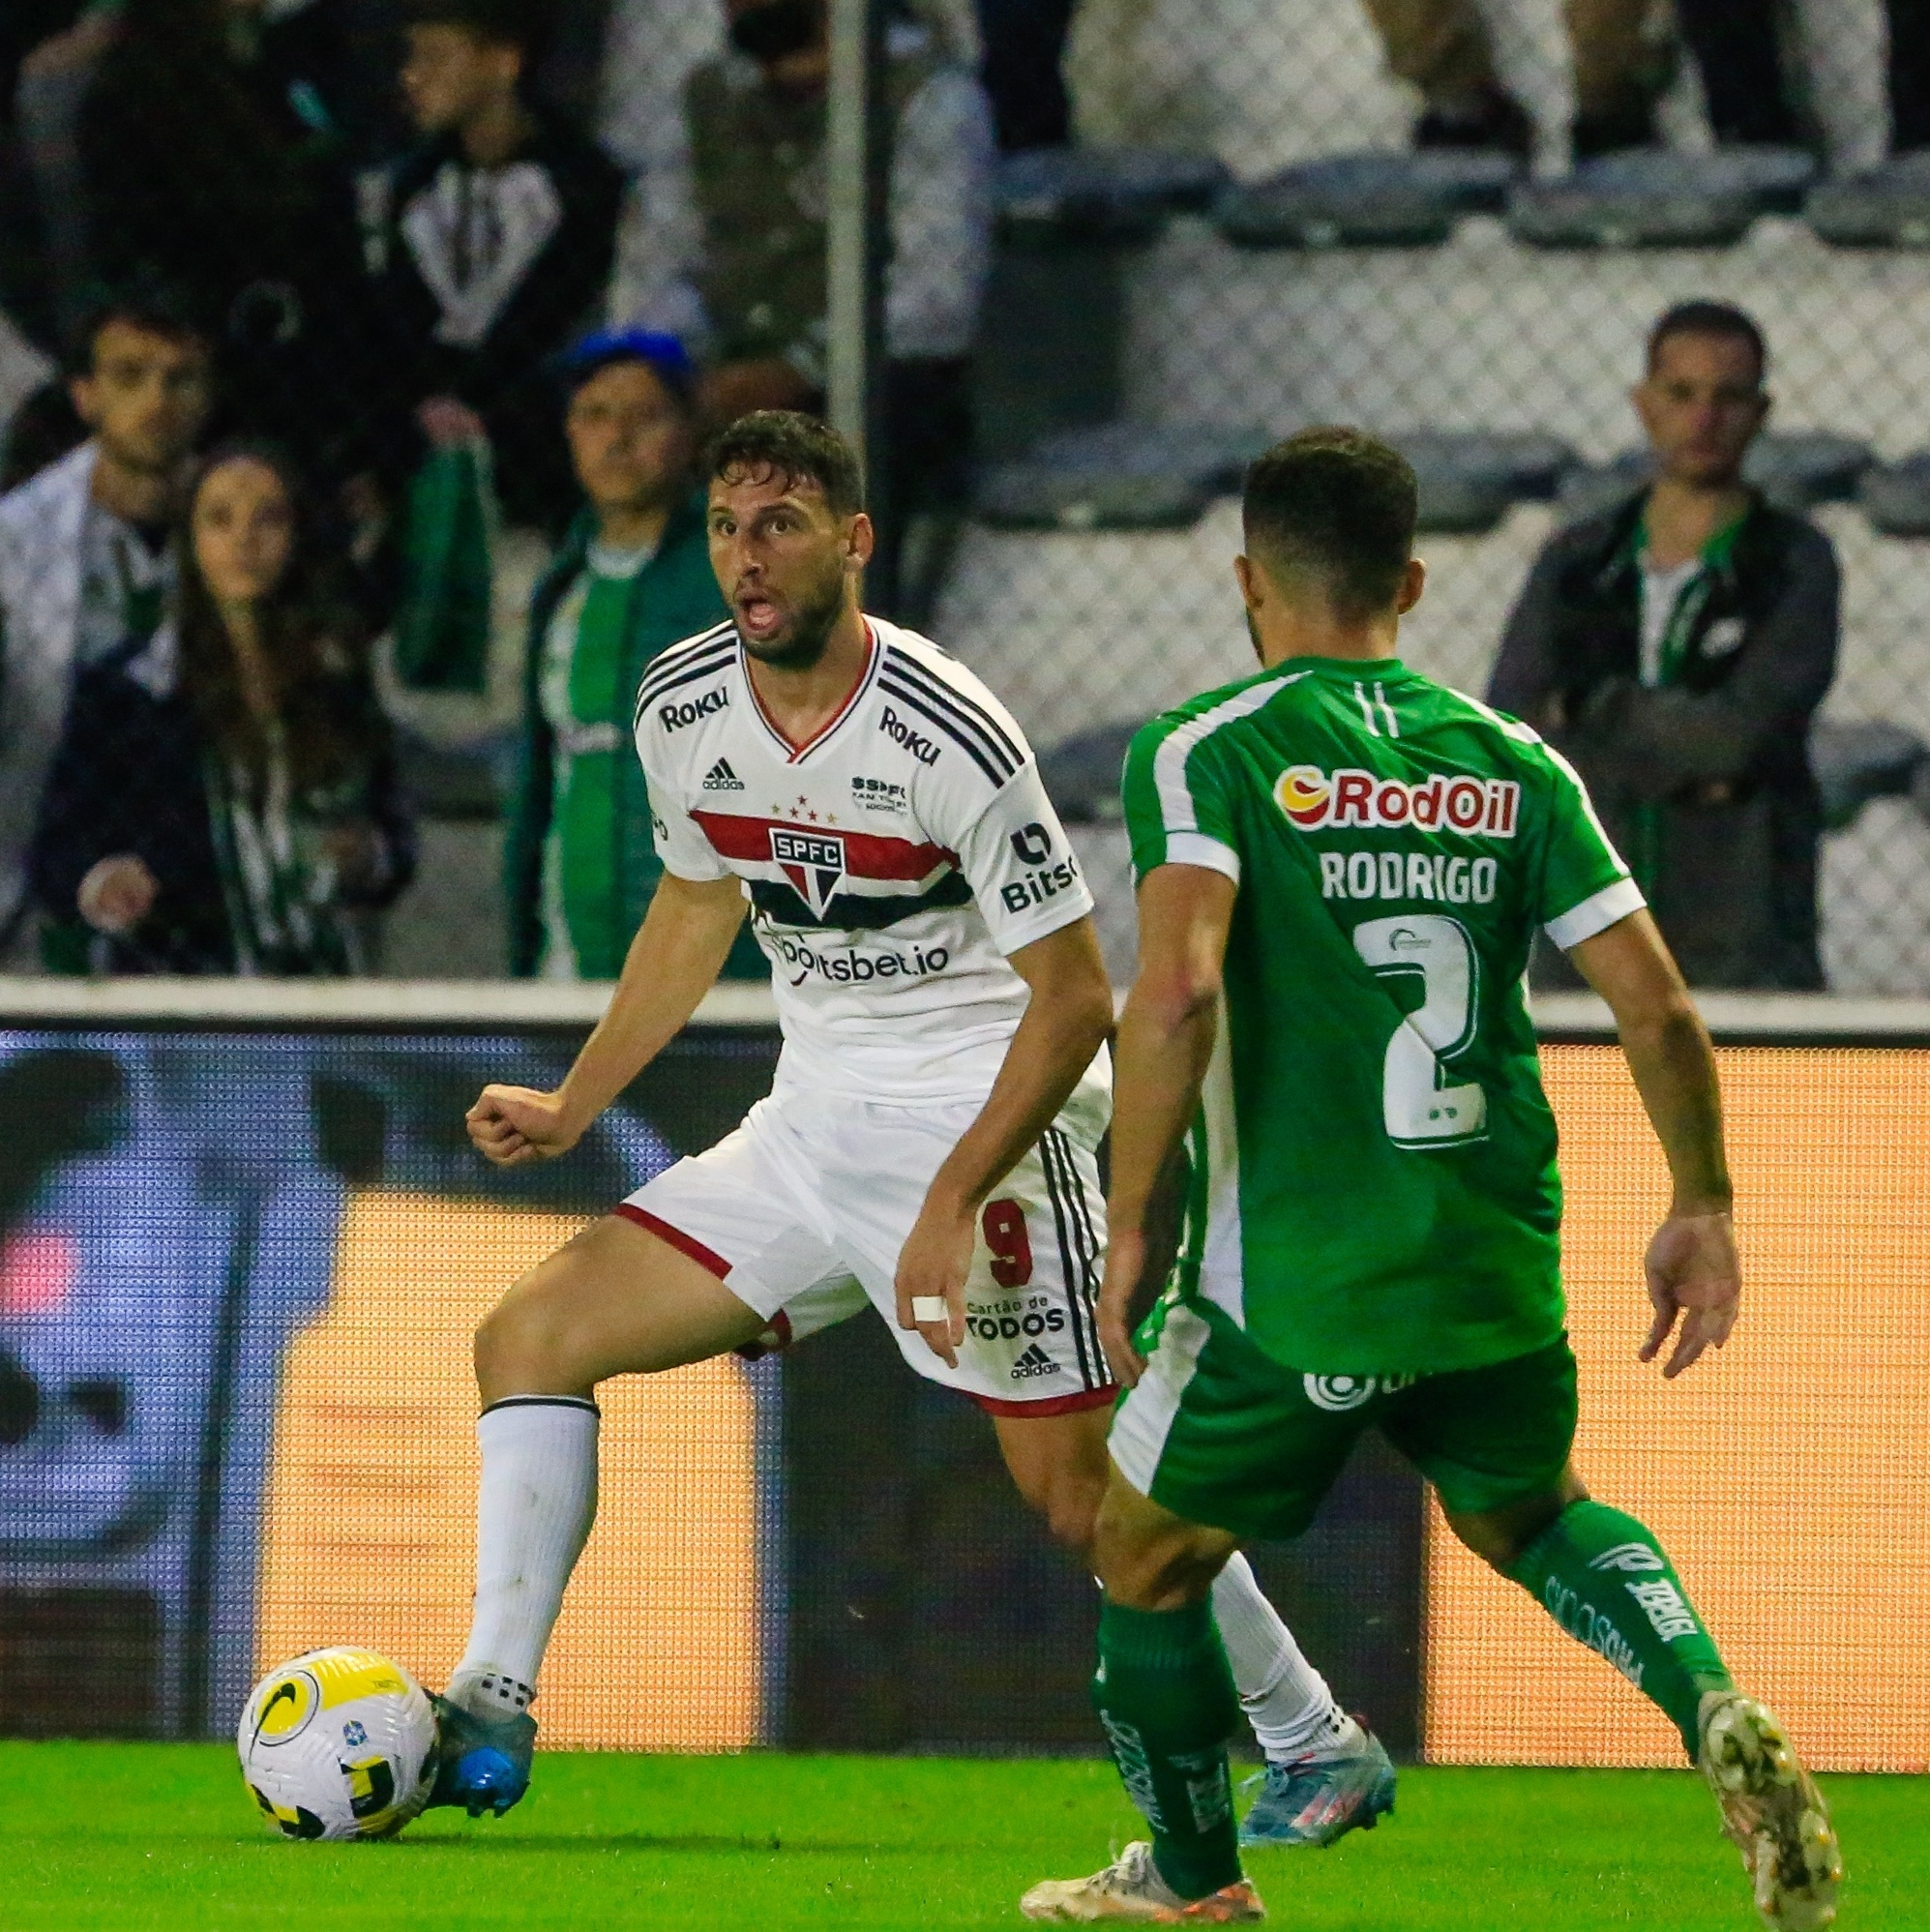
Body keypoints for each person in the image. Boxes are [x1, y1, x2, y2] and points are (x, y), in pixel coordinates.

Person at [431, 413, 1392, 1846]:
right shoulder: (683, 705)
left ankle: (1314, 1741)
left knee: (1080, 1501)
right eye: (723, 527)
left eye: (778, 525)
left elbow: (1073, 1002)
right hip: (808, 1130)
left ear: (852, 540)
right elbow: (696, 905)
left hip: (981, 1119)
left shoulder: (945, 729)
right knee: (526, 1338)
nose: (744, 559)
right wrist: (578, 1103)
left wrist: (951, 1196)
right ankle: (489, 1698)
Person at [1021, 429, 1841, 1928]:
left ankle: (1197, 1892)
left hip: (1292, 1283)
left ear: (1244, 582)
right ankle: (1709, 1701)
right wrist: (1700, 1201)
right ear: (1406, 579)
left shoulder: (1206, 745)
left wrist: (1131, 1211)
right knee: (1531, 1515)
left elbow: (1177, 990)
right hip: (1483, 1253)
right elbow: (1654, 1003)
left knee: (1141, 1555)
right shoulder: (1510, 758)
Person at [1489, 303, 1838, 992]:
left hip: (1743, 942)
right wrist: (1693, 767)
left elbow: (1739, 738)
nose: (1704, 418)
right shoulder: (1577, 561)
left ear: (1760, 412)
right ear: (1644, 405)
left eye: (1728, 396)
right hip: (1584, 935)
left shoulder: (1794, 561)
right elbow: (1514, 728)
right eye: (1681, 394)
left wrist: (1589, 712)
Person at [611, 0, 993, 620]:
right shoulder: (704, 97)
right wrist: (686, 367)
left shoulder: (930, 96)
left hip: (867, 378)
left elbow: (936, 298)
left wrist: (798, 366)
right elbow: (654, 266)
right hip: (721, 371)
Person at [30, 441, 413, 973]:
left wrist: (365, 855)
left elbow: (393, 831)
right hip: (179, 990)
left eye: (268, 519)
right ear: (190, 538)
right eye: (219, 520)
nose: (244, 540)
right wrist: (106, 879)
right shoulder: (131, 692)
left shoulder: (337, 683)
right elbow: (59, 842)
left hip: (318, 989)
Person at [505, 327, 758, 981]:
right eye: (594, 415)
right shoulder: (561, 583)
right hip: (570, 945)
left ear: (691, 434)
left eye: (646, 416)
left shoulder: (738, 571)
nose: (616, 437)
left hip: (719, 957)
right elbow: (538, 783)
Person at [0, 287, 212, 966]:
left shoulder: (244, 525)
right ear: (85, 395)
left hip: (194, 857)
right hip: (36, 853)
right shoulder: (16, 540)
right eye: (129, 376)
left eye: (179, 378)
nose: (156, 400)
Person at [74, 0, 370, 480]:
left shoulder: (284, 64)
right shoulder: (132, 93)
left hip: (310, 371)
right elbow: (127, 254)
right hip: (216, 375)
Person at [364, 0, 625, 532]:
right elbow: (399, 325)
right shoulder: (414, 187)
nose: (413, 76)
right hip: (424, 440)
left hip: (536, 438)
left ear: (503, 61)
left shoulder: (581, 184)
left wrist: (484, 404)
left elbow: (560, 314)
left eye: (436, 56)